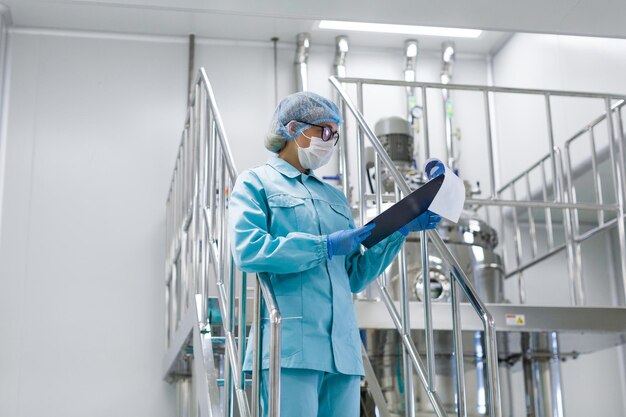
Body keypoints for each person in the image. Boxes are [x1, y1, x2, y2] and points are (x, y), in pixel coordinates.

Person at [228, 91, 441, 417]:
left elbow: (352, 276)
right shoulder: (256, 183)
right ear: (293, 128)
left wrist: (399, 231)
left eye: (335, 135)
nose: (329, 142)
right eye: (323, 131)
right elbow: (248, 249)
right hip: (290, 350)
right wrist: (323, 245)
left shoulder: (335, 198)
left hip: (342, 353)